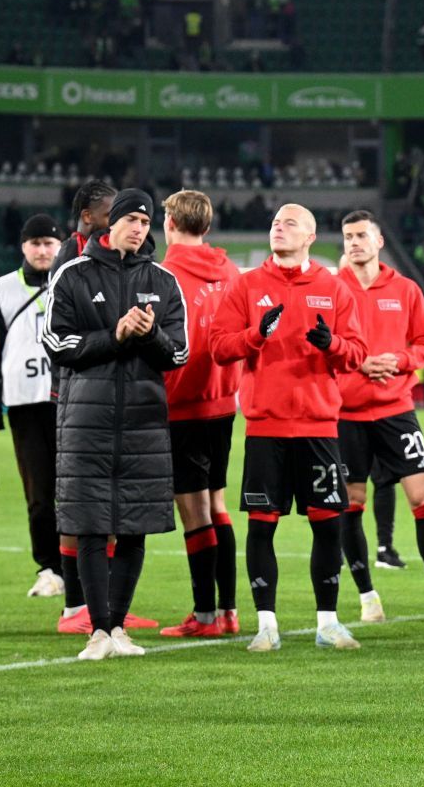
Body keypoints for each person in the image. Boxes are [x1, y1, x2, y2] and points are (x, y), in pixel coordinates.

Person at [206, 203, 368, 653]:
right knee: (262, 526)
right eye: (276, 222)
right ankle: (267, 625)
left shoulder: (333, 289)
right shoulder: (247, 285)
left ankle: (328, 623)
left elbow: (356, 352)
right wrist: (255, 336)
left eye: (290, 223)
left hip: (318, 427)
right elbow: (219, 347)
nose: (280, 227)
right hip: (266, 428)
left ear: (311, 236)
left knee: (328, 527)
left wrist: (331, 344)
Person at [42, 188, 189, 661]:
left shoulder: (163, 281)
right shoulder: (73, 274)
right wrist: (114, 336)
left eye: (146, 223)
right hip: (86, 417)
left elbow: (179, 352)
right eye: (130, 219)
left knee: (134, 525)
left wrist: (151, 336)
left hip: (144, 420)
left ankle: (119, 627)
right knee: (89, 522)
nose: (139, 228)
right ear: (112, 224)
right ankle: (97, 629)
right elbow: (56, 343)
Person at [334, 209, 424, 626]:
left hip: (396, 409)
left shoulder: (406, 290)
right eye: (347, 236)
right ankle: (368, 598)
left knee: (422, 496)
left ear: (379, 242)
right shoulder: (331, 290)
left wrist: (397, 360)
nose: (354, 242)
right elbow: (322, 345)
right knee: (352, 501)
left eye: (361, 235)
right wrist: (360, 365)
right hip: (347, 413)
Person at [155, 190, 245, 639]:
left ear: (169, 223)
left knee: (194, 512)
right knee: (217, 504)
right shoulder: (229, 270)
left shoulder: (164, 274)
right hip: (224, 402)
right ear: (206, 227)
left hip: (181, 405)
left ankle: (205, 616)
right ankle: (228, 611)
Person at [0, 215, 68, 599]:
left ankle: (79, 570)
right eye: (35, 243)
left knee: (77, 490)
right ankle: (49, 568)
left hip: (70, 400)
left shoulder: (75, 282)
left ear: (61, 245)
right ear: (23, 247)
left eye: (49, 243)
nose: (43, 250)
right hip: (24, 402)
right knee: (38, 493)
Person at [52, 180, 124, 634]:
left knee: (104, 502)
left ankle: (98, 603)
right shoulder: (71, 262)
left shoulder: (98, 255)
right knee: (80, 502)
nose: (119, 221)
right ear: (89, 218)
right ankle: (76, 607)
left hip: (99, 391)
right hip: (77, 391)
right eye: (112, 213)